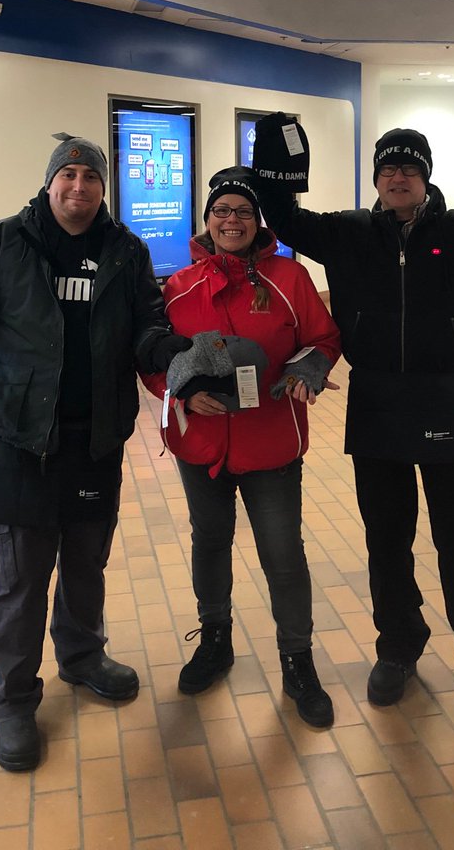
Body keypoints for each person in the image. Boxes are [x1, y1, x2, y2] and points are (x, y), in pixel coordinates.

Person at [249, 119, 454, 744]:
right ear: (376, 177)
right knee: (387, 541)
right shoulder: (346, 234)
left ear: (426, 176)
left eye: (409, 166)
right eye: (387, 167)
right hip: (375, 405)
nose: (397, 176)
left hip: (446, 402)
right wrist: (275, 158)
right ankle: (399, 648)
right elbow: (284, 218)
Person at [0, 134, 189, 771]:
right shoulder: (5, 243)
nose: (79, 187)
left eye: (90, 177)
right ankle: (13, 699)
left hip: (96, 438)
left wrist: (175, 355)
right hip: (22, 440)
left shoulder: (125, 250)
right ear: (50, 183)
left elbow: (148, 326)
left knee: (84, 561)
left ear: (104, 188)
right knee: (19, 578)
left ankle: (81, 656)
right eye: (68, 175)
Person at [142, 167, 342, 728]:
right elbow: (154, 359)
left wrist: (310, 369)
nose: (231, 221)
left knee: (282, 553)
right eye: (221, 212)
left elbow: (323, 338)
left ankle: (298, 662)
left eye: (242, 213)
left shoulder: (289, 277)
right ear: (206, 221)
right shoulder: (179, 286)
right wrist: (179, 393)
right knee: (209, 542)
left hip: (272, 442)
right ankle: (215, 640)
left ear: (258, 223)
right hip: (200, 444)